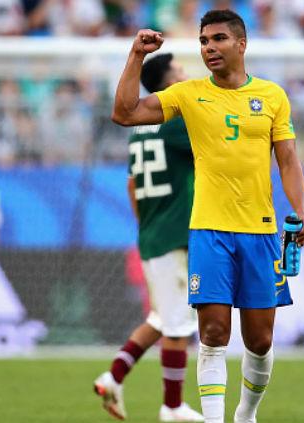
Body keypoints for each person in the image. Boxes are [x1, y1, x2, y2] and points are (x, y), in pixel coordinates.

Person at [111, 10, 304, 423]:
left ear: (241, 44)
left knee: (259, 340)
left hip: (260, 234)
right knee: (213, 334)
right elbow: (126, 113)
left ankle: (246, 414)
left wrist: (302, 212)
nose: (209, 47)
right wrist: (135, 55)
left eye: (219, 39)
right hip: (208, 233)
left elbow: (288, 160)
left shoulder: (273, 96)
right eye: (204, 41)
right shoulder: (188, 95)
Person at [93, 53, 204, 422]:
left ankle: (113, 376)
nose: (186, 76)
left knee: (161, 317)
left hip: (154, 231)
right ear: (169, 84)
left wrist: (147, 224)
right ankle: (172, 406)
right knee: (178, 326)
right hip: (175, 234)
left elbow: (130, 185)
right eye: (180, 71)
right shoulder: (176, 123)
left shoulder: (141, 128)